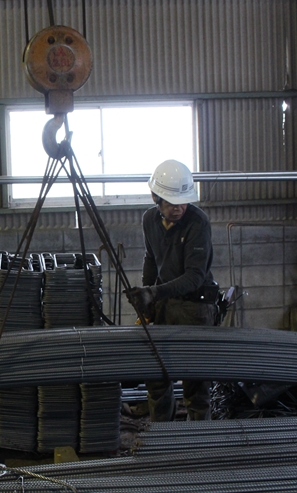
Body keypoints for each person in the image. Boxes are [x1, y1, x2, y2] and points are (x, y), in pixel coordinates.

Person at [125, 159, 218, 421]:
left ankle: (199, 444)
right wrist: (146, 301)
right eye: (171, 202)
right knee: (158, 378)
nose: (179, 208)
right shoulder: (149, 220)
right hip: (164, 304)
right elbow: (151, 260)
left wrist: (153, 294)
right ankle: (162, 438)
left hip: (195, 308)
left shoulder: (198, 223)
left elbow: (195, 277)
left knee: (195, 384)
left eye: (183, 202)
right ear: (156, 198)